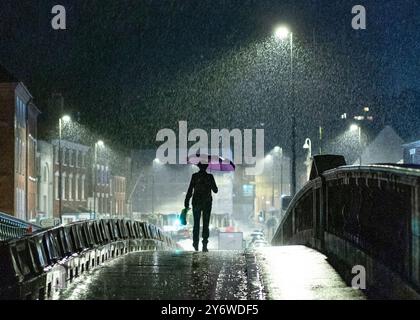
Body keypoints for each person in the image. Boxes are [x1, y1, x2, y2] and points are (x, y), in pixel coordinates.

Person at [184, 162, 218, 252]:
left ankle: (195, 243)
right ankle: (204, 244)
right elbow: (215, 190)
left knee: (196, 224)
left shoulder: (194, 176)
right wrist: (210, 182)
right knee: (205, 224)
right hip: (207, 203)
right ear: (206, 167)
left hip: (196, 202)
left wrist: (186, 201)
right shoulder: (210, 177)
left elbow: (190, 189)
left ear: (198, 167)